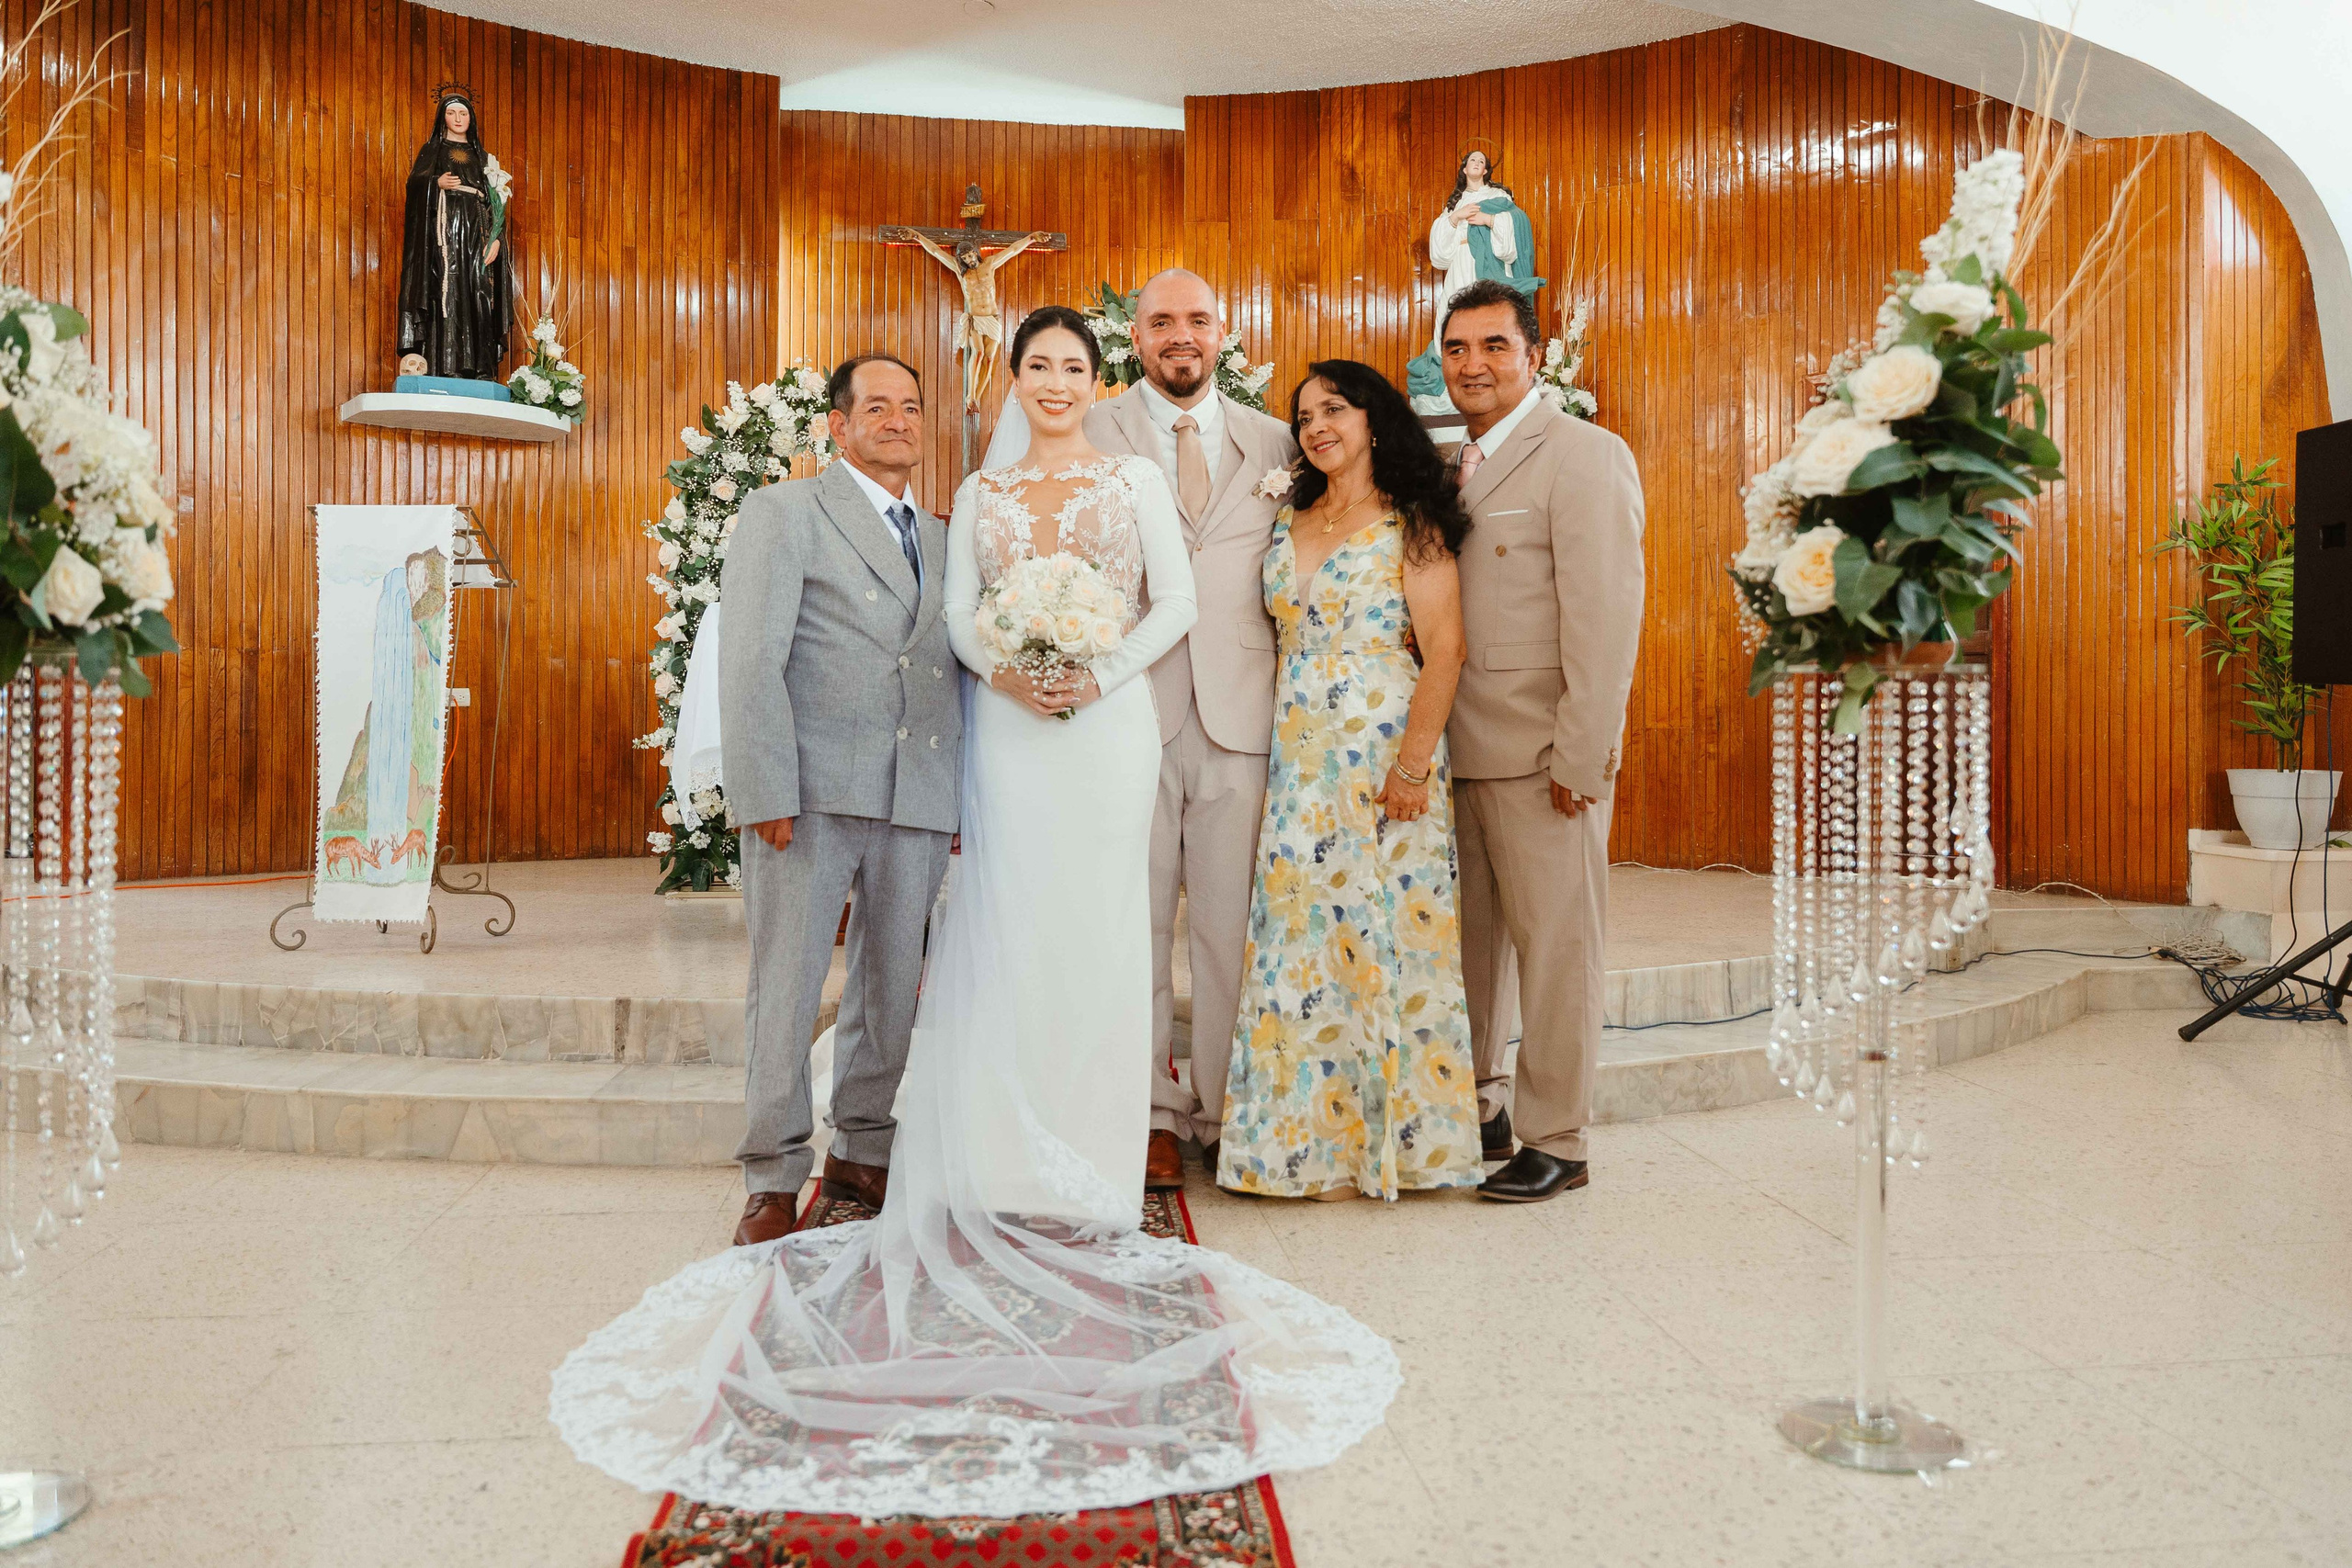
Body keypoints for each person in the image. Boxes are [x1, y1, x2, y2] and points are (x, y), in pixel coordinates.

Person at [550, 310, 1398, 1518]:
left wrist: (1094, 668)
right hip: (996, 733)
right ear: (1008, 381)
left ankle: (1085, 1156)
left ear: (1096, 380)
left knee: (1096, 935)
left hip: (1100, 729)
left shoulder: (1127, 479)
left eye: (1072, 367)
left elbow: (1169, 604)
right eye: (1035, 366)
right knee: (986, 931)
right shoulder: (970, 497)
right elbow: (951, 623)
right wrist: (1007, 670)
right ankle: (932, 1154)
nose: (1054, 382)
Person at [1217, 361, 1486, 1201]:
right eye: (1304, 417)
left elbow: (1446, 648)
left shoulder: (1412, 521)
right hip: (1300, 760)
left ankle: (1398, 1145)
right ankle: (1304, 1147)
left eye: (1334, 409)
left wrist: (1411, 765)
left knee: (1387, 936)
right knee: (1302, 940)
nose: (1317, 427)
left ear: (1374, 420)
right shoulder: (1289, 518)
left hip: (1383, 753)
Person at [716, 354, 961, 1246]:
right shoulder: (784, 512)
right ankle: (773, 1174)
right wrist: (764, 789)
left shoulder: (941, 535)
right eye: (878, 407)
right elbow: (750, 659)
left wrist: (955, 797)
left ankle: (863, 1147)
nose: (898, 420)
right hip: (810, 792)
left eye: (911, 406)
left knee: (891, 989)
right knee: (786, 989)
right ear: (839, 426)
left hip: (916, 791)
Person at [1079, 269, 1298, 1190]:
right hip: (1128, 711)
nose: (1181, 335)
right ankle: (1150, 1115)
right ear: (1134, 337)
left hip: (1242, 716)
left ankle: (1224, 1105)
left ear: (1222, 333)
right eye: (1162, 320)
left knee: (1227, 927)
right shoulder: (1091, 429)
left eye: (1197, 320)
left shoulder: (1277, 440)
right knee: (1133, 928)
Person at [1439, 276, 1645, 1203]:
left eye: (1494, 346)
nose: (1474, 364)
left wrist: (1583, 754)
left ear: (1532, 355)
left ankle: (1558, 1136)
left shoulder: (1584, 455)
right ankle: (1480, 1103)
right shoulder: (1457, 464)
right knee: (1470, 953)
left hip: (1541, 758)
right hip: (1457, 752)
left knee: (1558, 952)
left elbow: (1606, 618)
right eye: (1457, 349)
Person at [1404, 149, 1543, 413]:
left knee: (1490, 316)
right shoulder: (1456, 203)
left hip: (1487, 265)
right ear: (1465, 169)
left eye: (1481, 161)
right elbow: (1439, 254)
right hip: (1460, 263)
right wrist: (1456, 217)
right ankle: (1449, 382)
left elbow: (1517, 222)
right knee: (1449, 315)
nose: (1477, 163)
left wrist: (1489, 219)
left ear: (1486, 170)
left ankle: (1495, 376)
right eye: (1472, 160)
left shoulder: (1497, 196)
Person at [397, 88, 512, 380]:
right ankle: (446, 367)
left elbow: (496, 202)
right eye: (451, 113)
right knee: (445, 292)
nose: (458, 118)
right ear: (443, 118)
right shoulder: (432, 151)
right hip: (444, 234)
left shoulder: (484, 158)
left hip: (477, 233)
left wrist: (497, 239)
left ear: (471, 119)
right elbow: (414, 186)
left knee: (479, 292)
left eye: (463, 113)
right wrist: (435, 183)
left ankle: (482, 368)